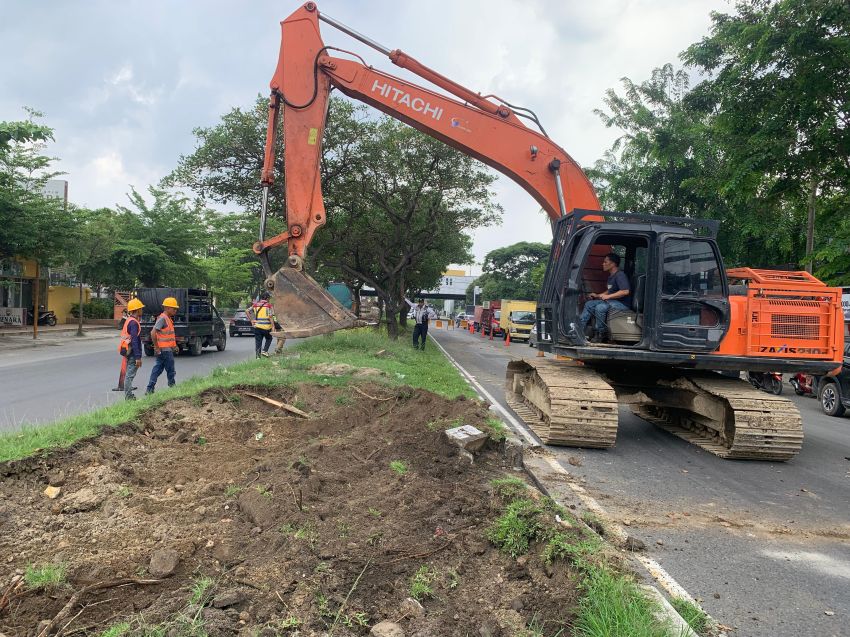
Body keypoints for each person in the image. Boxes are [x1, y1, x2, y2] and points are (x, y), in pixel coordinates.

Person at [579, 252, 631, 342]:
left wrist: (608, 297)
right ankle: (579, 330)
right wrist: (598, 295)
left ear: (613, 264)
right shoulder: (611, 276)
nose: (603, 264)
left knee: (600, 307)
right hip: (613, 301)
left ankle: (601, 333)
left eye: (605, 262)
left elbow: (625, 291)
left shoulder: (620, 275)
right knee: (589, 304)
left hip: (622, 304)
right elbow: (610, 290)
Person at [146, 297, 180, 394]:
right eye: (174, 308)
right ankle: (172, 387)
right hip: (164, 350)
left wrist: (174, 346)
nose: (175, 310)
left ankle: (150, 389)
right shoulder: (162, 319)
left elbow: (169, 336)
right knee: (170, 369)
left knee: (157, 369)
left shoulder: (168, 319)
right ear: (167, 308)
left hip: (165, 349)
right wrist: (156, 347)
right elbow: (153, 333)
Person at [118, 298, 145, 400]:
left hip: (128, 350)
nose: (142, 310)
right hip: (132, 352)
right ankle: (129, 397)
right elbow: (134, 340)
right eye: (141, 308)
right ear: (137, 310)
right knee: (130, 375)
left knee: (129, 374)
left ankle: (129, 396)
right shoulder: (133, 323)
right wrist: (138, 357)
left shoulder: (129, 320)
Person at [250, 292, 275, 358]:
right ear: (267, 298)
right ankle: (265, 351)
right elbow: (270, 316)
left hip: (257, 327)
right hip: (266, 327)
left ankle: (258, 357)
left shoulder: (255, 305)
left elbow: (247, 311)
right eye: (269, 298)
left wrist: (251, 320)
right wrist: (273, 326)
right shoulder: (269, 305)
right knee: (269, 338)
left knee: (258, 342)